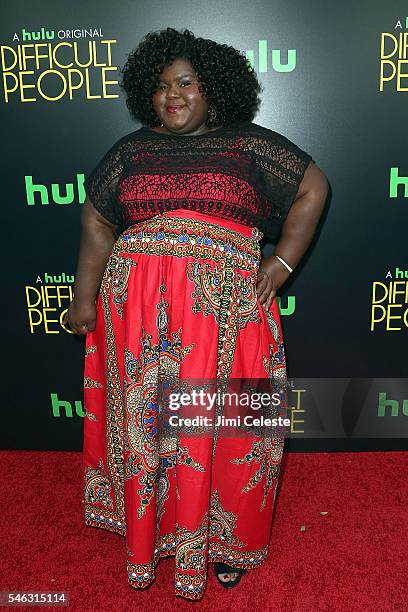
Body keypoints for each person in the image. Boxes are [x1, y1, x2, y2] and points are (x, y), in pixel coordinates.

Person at [64, 27, 329, 600]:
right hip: (139, 315)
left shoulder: (249, 145)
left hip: (226, 315)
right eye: (160, 87)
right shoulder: (131, 151)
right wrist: (85, 297)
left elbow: (313, 188)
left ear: (214, 91)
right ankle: (153, 535)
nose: (171, 96)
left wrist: (281, 263)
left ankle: (226, 541)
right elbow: (96, 221)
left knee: (229, 427)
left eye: (185, 84)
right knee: (151, 429)